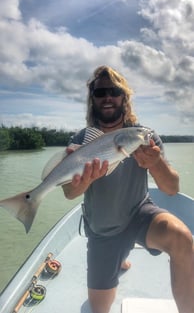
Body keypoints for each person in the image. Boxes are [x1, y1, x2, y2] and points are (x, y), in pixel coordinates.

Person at [62, 66, 194, 313]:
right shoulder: (81, 140)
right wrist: (86, 180)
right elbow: (69, 192)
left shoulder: (144, 136)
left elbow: (171, 188)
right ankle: (119, 258)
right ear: (93, 99)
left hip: (139, 215)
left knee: (182, 237)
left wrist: (156, 164)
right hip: (103, 229)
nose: (108, 97)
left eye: (114, 91)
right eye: (100, 92)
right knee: (99, 308)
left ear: (124, 96)